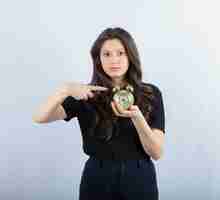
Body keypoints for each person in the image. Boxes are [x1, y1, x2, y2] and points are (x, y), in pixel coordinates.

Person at [32, 27, 165, 200]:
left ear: (130, 56)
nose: (114, 60)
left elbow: (157, 152)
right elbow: (39, 117)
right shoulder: (86, 94)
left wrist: (137, 118)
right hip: (98, 176)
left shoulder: (151, 93)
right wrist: (65, 90)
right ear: (98, 59)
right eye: (107, 54)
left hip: (139, 176)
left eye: (120, 53)